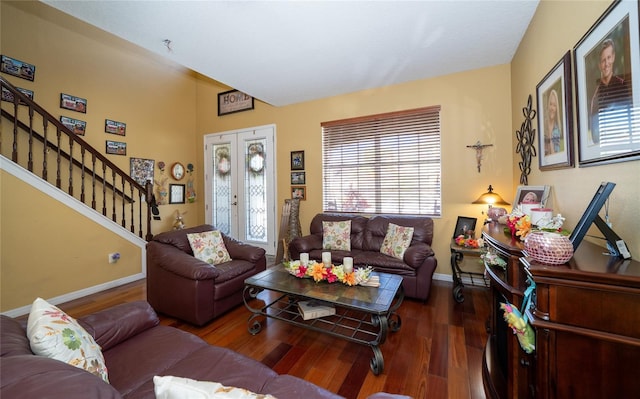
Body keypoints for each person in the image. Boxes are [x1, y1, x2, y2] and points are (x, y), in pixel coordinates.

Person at [589, 38, 632, 145]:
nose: (606, 63)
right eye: (603, 60)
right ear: (599, 65)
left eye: (608, 58)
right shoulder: (596, 96)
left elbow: (629, 124)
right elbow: (595, 137)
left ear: (613, 57)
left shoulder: (622, 86)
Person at [544, 89, 562, 154]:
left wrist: (549, 134)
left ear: (556, 108)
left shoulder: (557, 129)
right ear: (548, 106)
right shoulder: (543, 126)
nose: (552, 108)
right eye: (550, 104)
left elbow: (554, 155)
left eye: (554, 105)